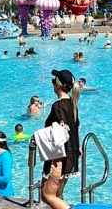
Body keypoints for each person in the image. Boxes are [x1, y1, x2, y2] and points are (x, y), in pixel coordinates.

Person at [40, 69, 81, 209]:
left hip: (59, 157)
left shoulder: (58, 105)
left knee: (47, 195)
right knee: (57, 195)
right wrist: (78, 147)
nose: (52, 83)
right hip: (72, 154)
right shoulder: (72, 103)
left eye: (53, 81)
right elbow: (76, 127)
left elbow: (62, 131)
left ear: (58, 84)